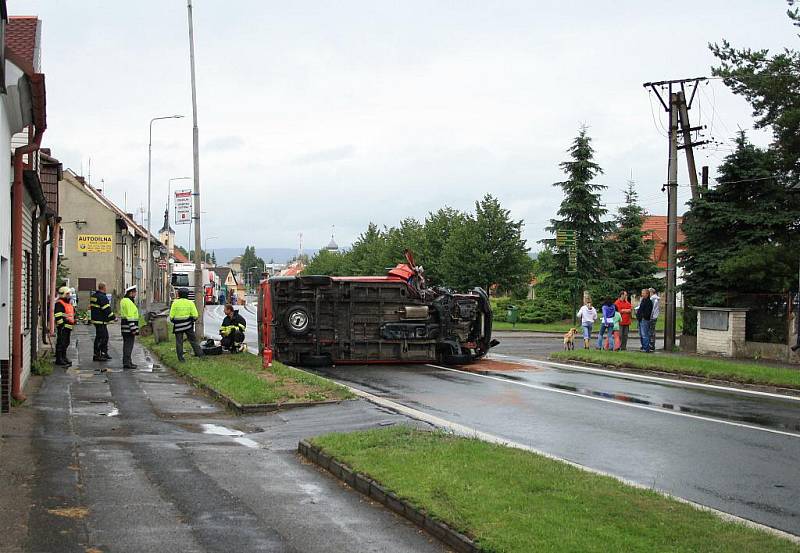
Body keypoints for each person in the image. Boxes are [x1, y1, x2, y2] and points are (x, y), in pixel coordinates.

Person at [169, 288, 204, 362]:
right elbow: (195, 315)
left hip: (178, 326)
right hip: (188, 326)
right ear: (187, 295)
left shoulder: (175, 303)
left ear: (179, 294)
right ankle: (200, 354)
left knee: (179, 342)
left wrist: (176, 321)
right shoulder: (190, 303)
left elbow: (171, 317)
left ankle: (181, 359)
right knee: (193, 340)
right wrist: (191, 321)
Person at [90, 282, 116, 361]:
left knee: (102, 337)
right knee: (102, 338)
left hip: (96, 319)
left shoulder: (94, 296)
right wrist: (113, 317)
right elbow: (107, 310)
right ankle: (98, 355)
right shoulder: (103, 298)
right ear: (104, 288)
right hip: (101, 320)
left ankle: (103, 353)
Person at [53, 286, 76, 366]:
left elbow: (70, 314)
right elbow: (58, 315)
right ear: (63, 294)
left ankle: (64, 357)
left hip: (68, 327)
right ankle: (59, 359)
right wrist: (61, 325)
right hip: (63, 327)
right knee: (61, 343)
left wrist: (73, 320)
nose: (69, 295)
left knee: (66, 342)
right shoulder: (59, 303)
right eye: (67, 294)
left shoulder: (68, 303)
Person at [119, 285, 140, 369]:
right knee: (129, 345)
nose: (135, 294)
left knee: (126, 345)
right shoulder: (129, 302)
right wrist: (133, 329)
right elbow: (130, 316)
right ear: (130, 293)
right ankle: (127, 363)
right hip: (129, 327)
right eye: (134, 292)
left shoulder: (124, 301)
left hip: (124, 327)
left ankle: (127, 361)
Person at [636, 288, 653, 353]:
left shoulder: (648, 301)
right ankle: (643, 346)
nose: (642, 294)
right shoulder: (643, 300)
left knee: (644, 334)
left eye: (643, 293)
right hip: (640, 319)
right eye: (642, 293)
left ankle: (646, 348)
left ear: (647, 294)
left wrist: (643, 316)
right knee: (641, 334)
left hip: (644, 320)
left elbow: (647, 312)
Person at [648, 287, 660, 352]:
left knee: (651, 331)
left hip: (652, 317)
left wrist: (650, 316)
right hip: (655, 316)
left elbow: (651, 309)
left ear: (651, 292)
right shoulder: (656, 299)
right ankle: (652, 345)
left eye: (649, 292)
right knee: (652, 331)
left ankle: (651, 345)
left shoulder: (652, 299)